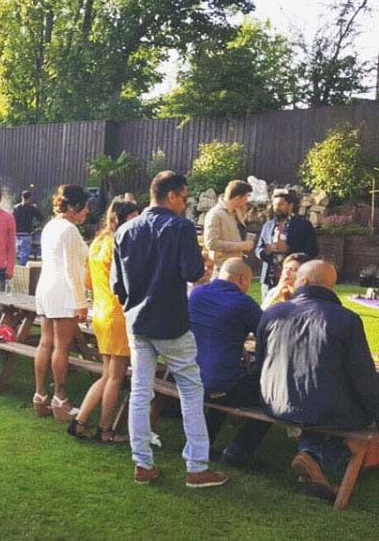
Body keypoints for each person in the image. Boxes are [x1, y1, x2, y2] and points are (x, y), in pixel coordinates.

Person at [111, 170, 228, 487]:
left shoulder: (125, 230)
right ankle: (197, 467)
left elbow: (117, 285)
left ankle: (143, 463)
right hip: (171, 323)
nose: (187, 202)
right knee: (191, 391)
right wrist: (202, 265)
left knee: (139, 393)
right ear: (172, 195)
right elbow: (193, 272)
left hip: (137, 322)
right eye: (185, 196)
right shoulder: (180, 227)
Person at [257, 260, 379, 500]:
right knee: (336, 409)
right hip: (323, 408)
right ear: (332, 287)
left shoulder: (272, 312)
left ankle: (310, 454)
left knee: (317, 403)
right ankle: (319, 458)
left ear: (302, 282)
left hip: (273, 402)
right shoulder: (346, 319)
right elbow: (364, 378)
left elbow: (260, 361)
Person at [68, 199, 139, 443]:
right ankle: (105, 429)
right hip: (118, 314)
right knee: (115, 377)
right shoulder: (121, 243)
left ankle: (80, 421)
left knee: (107, 373)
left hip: (100, 311)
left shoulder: (98, 241)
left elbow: (88, 282)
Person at [189, 258, 270, 467]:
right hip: (218, 384)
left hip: (188, 378)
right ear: (243, 279)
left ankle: (204, 443)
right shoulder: (243, 303)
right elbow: (269, 336)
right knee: (270, 398)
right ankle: (239, 450)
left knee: (225, 381)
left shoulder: (196, 294)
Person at [33, 185, 89, 422]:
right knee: (61, 347)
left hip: (45, 287)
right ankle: (60, 399)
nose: (87, 212)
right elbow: (71, 269)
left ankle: (40, 395)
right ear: (74, 206)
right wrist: (81, 301)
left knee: (46, 342)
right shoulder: (69, 230)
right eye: (85, 207)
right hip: (63, 290)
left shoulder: (50, 226)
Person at [256, 189, 318, 301]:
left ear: (290, 206)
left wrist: (289, 249)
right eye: (274, 204)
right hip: (269, 278)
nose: (276, 208)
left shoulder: (303, 225)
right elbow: (258, 249)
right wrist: (266, 251)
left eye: (280, 204)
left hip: (293, 279)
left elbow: (312, 250)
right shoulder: (268, 225)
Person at [204, 180, 254, 277]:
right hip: (222, 270)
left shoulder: (236, 211)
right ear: (238, 197)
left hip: (236, 266)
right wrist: (241, 246)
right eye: (246, 197)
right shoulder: (215, 214)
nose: (247, 200)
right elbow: (211, 243)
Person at [13, 190, 41, 266]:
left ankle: (13, 270)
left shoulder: (16, 208)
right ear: (29, 198)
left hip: (16, 234)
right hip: (26, 234)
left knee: (14, 254)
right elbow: (40, 217)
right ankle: (22, 271)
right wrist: (36, 208)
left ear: (22, 197)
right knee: (24, 255)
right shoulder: (31, 208)